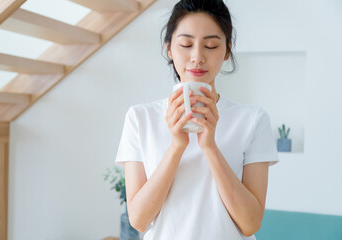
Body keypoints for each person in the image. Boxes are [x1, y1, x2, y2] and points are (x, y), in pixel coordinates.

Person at [115, 0, 279, 239]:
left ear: (227, 50)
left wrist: (210, 146)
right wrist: (176, 146)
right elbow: (139, 220)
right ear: (170, 48)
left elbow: (251, 223)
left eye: (211, 45)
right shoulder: (140, 118)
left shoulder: (252, 119)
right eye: (186, 44)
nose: (197, 57)